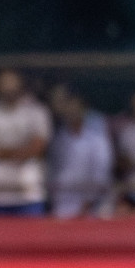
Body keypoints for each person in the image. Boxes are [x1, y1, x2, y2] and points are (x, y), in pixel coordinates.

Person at [0, 69, 51, 216]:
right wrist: (15, 152)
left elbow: (38, 147)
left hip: (28, 194)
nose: (8, 87)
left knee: (31, 239)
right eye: (4, 83)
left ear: (20, 84)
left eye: (12, 82)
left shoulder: (36, 112)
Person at [47, 84, 114, 219]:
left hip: (90, 208)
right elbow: (53, 171)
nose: (69, 110)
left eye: (73, 105)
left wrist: (87, 204)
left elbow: (100, 175)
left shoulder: (97, 139)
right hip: (60, 205)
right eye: (65, 105)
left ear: (80, 105)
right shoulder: (59, 138)